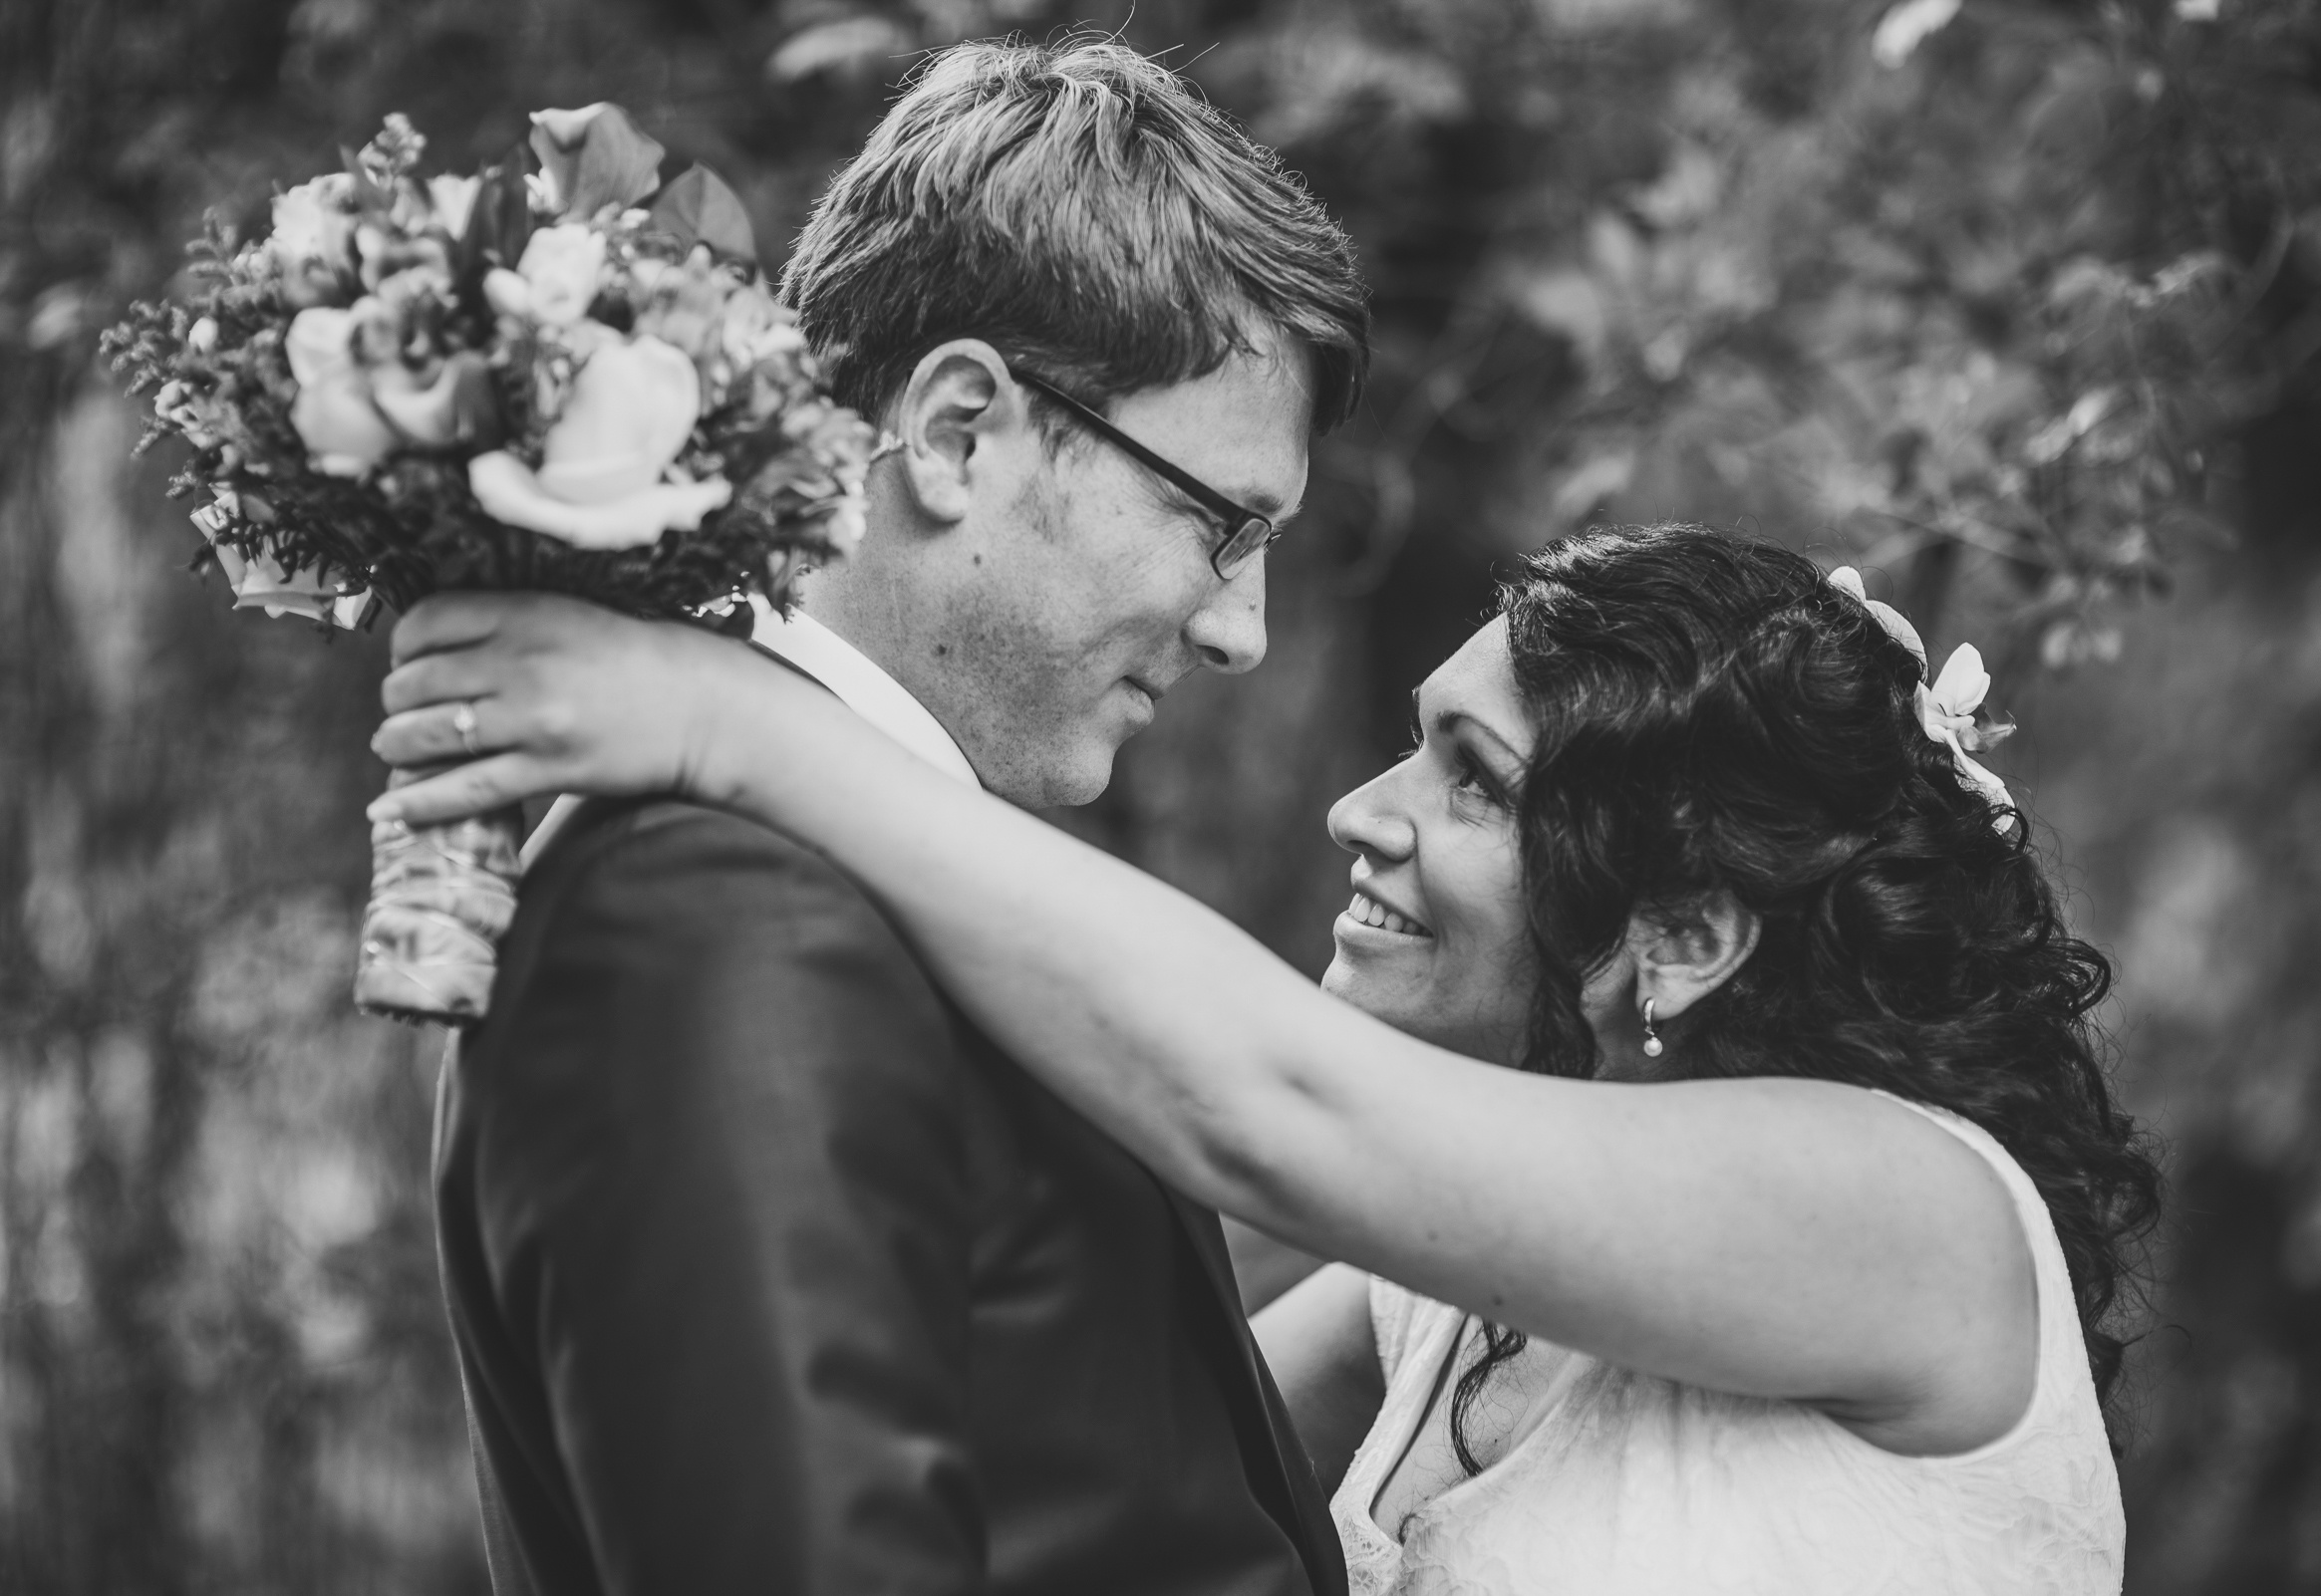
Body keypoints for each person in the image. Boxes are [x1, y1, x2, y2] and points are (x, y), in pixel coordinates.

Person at [376, 524, 2162, 1594]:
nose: (1358, 814)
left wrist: (735, 725)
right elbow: (1075, 1317)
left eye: (1471, 778)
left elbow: (1259, 1104)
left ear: (1683, 932)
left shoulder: (1909, 1213)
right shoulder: (1455, 1299)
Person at [415, 36, 1369, 1596]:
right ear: (955, 431)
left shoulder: (874, 868)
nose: (1237, 628)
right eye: (1218, 524)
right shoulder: (708, 911)